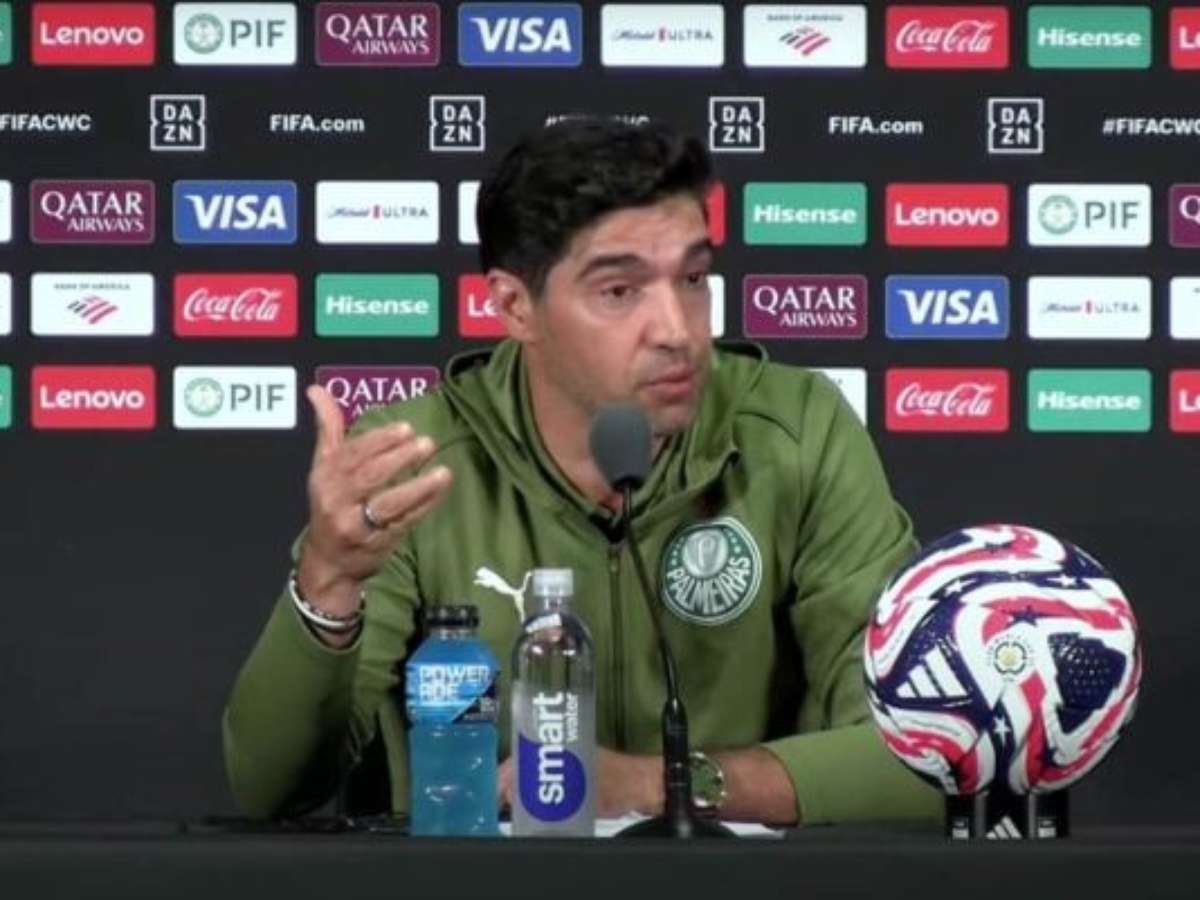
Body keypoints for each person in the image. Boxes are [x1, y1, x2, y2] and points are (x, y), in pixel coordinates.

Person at [222, 118, 940, 826]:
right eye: (619, 291)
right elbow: (271, 791)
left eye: (694, 278)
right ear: (515, 306)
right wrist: (328, 581)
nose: (678, 330)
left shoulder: (798, 430)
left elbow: (925, 752)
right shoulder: (413, 462)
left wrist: (665, 784)